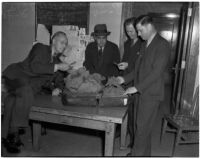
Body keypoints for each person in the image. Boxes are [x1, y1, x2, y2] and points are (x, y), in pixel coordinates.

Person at [2, 31, 72, 153]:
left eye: (66, 43)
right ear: (53, 40)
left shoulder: (57, 61)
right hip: (14, 77)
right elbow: (35, 67)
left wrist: (57, 88)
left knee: (12, 100)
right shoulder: (40, 48)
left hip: (25, 87)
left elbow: (58, 80)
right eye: (62, 42)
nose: (64, 45)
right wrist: (57, 67)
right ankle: (14, 134)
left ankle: (6, 136)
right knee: (26, 90)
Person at [117, 15, 170, 156]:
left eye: (140, 30)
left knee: (141, 129)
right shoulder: (143, 44)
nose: (138, 34)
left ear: (148, 27)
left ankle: (136, 155)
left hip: (151, 94)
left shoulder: (162, 45)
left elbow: (156, 73)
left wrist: (136, 87)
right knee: (140, 127)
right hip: (141, 93)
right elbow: (137, 69)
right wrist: (123, 79)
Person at [117, 17, 142, 148]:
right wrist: (122, 66)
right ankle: (124, 132)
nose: (129, 34)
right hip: (125, 80)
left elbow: (141, 67)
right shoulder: (127, 44)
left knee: (134, 114)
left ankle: (134, 139)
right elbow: (125, 60)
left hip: (136, 82)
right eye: (127, 31)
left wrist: (128, 65)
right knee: (124, 110)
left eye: (132, 31)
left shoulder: (143, 44)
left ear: (138, 29)